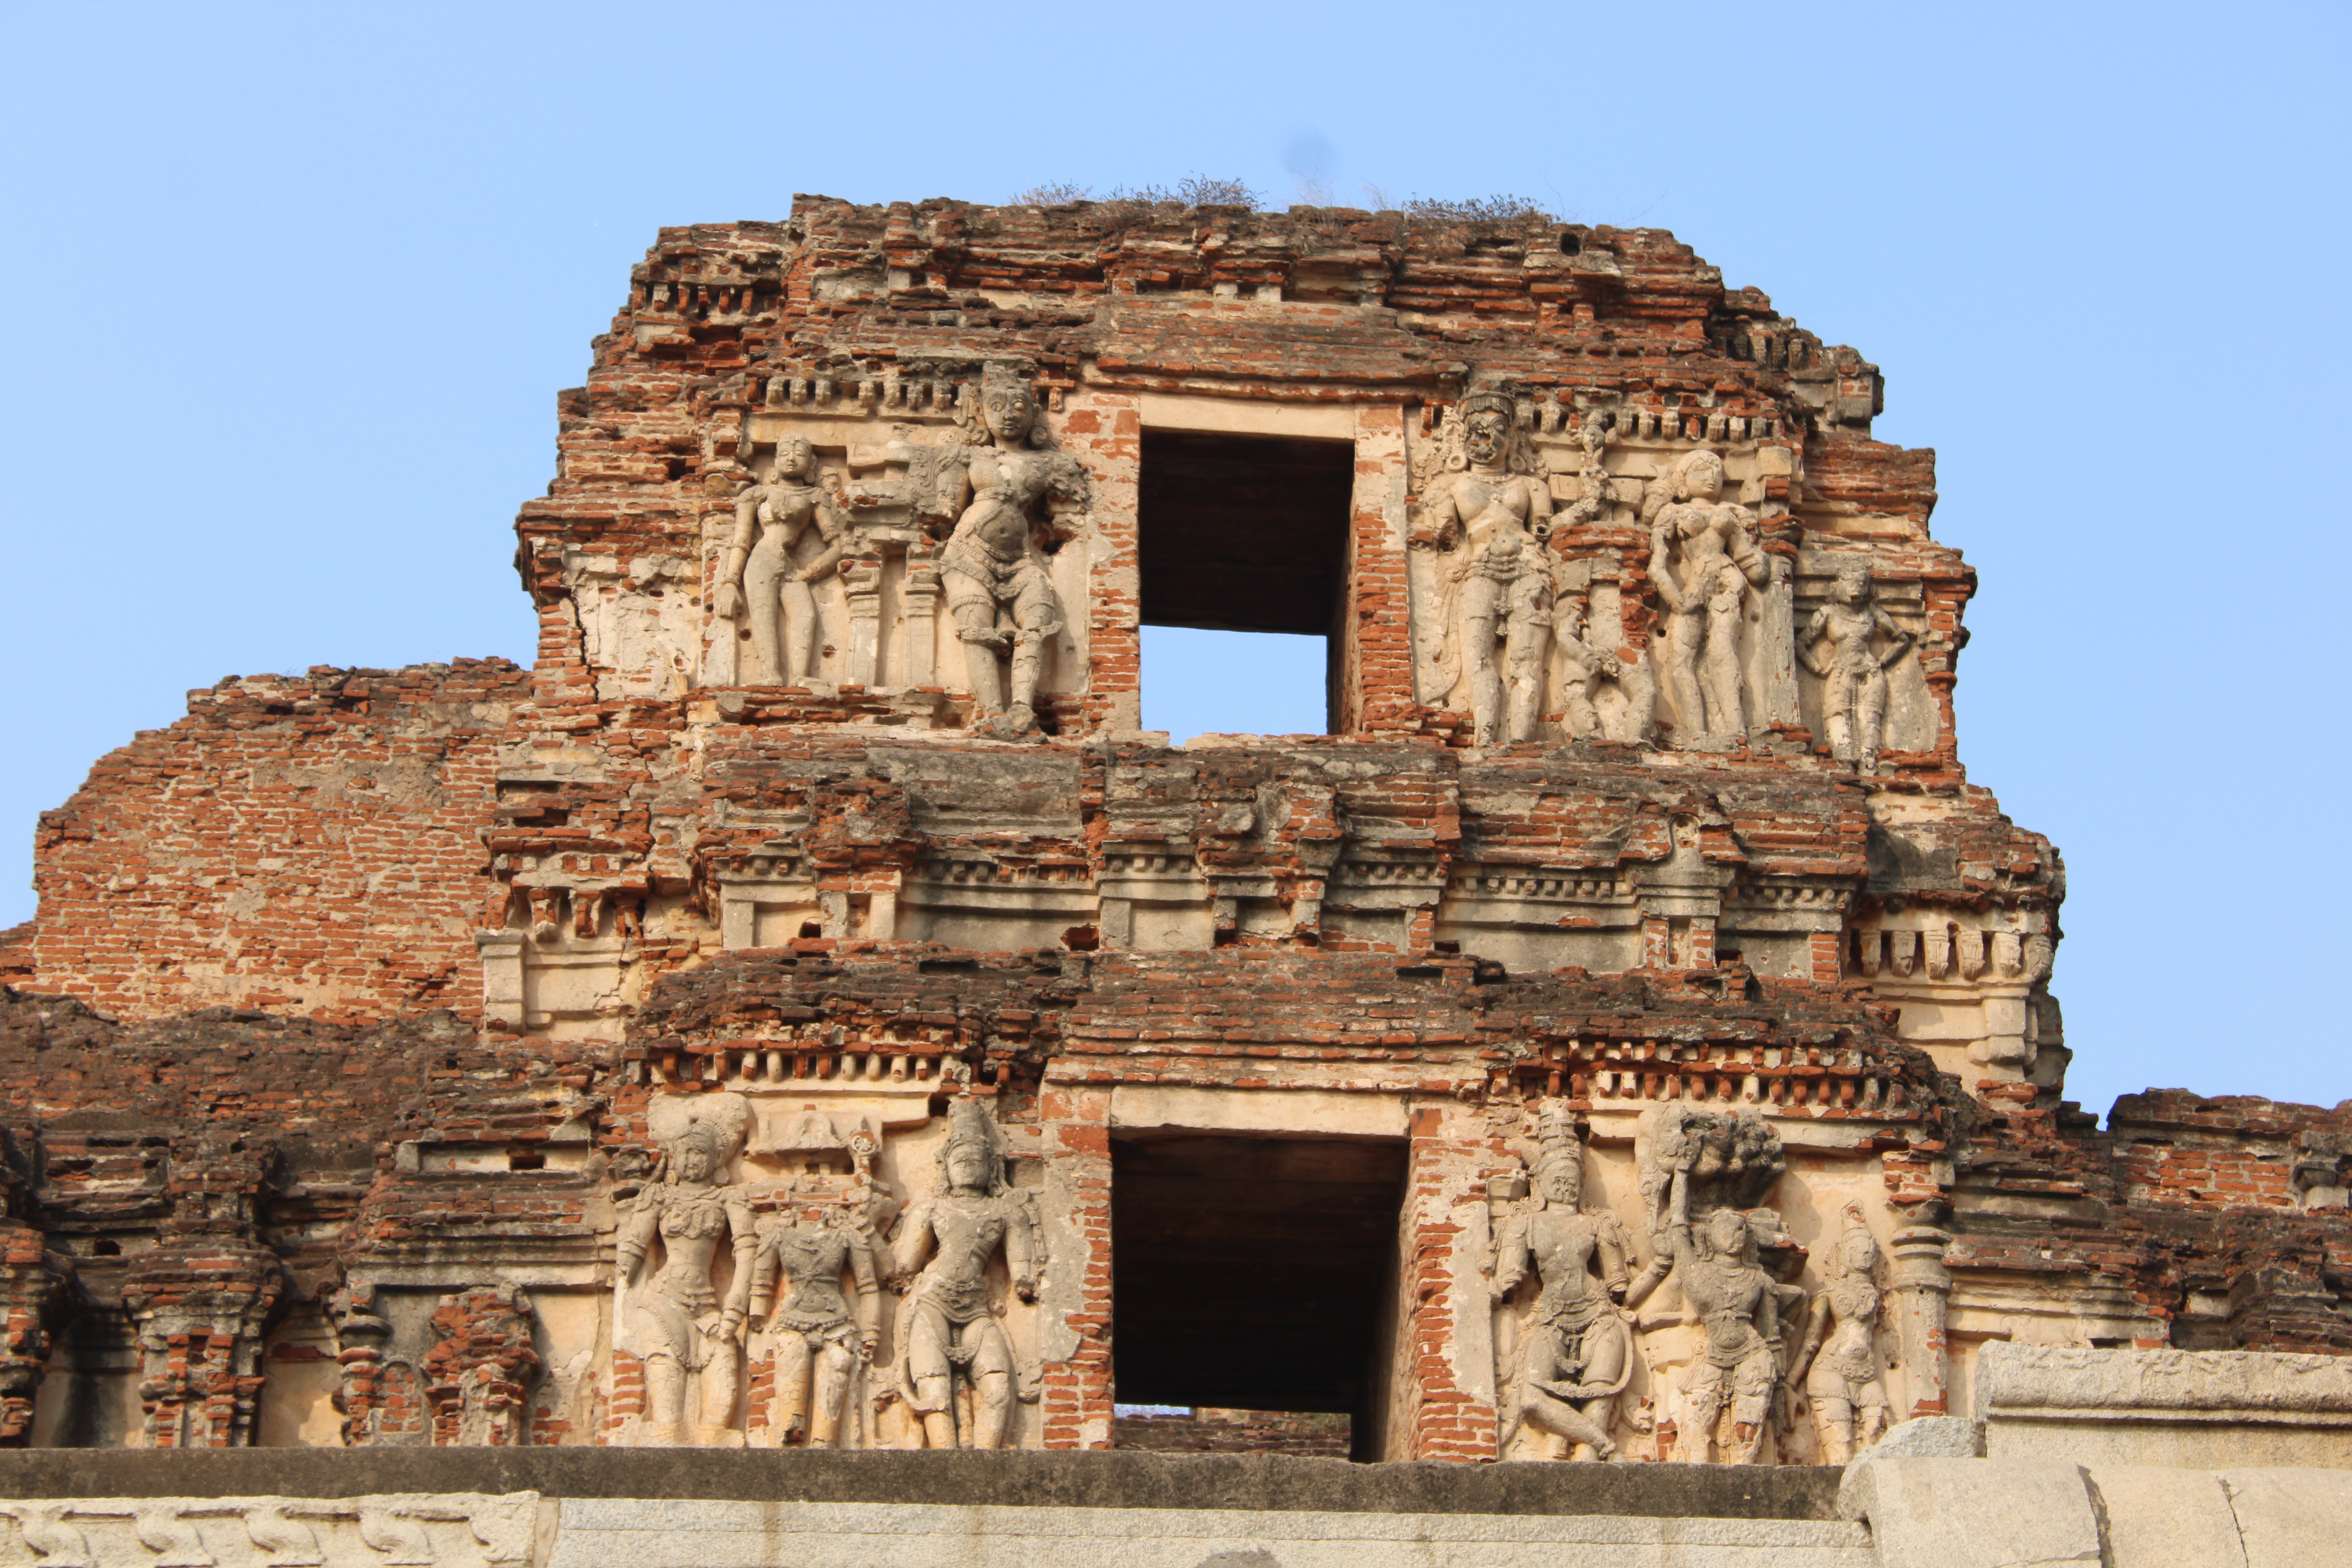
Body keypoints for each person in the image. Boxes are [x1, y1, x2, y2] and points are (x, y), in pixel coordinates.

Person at [890, 1098, 1040, 1448]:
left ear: (993, 1167)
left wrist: (1024, 1281)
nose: (970, 1167)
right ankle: (945, 1463)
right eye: (961, 1161)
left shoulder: (1006, 1212)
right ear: (946, 1167)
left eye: (978, 1161)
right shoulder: (932, 1208)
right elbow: (906, 1266)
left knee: (1000, 1386)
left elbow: (1022, 1269)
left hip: (977, 1308)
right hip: (932, 1301)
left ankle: (985, 1463)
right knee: (933, 1384)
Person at [1491, 1107, 1637, 1459]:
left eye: (1572, 1178)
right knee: (1530, 1401)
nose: (1566, 1186)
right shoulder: (1525, 1223)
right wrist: (1497, 1290)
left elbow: (1619, 1284)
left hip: (1600, 1319)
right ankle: (1600, 1443)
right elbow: (1506, 1280)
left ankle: (1586, 1454)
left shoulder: (1599, 1223)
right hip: (1550, 1319)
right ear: (1540, 1182)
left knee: (1600, 1396)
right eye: (1558, 1177)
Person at [938, 372, 1078, 733]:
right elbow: (945, 512)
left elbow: (1068, 517)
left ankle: (1022, 709)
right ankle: (990, 712)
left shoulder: (1047, 463)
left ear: (1034, 415)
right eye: (996, 407)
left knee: (1039, 617)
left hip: (1019, 560)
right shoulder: (969, 457)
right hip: (968, 552)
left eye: (1018, 407)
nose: (1009, 415)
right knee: (976, 628)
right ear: (981, 414)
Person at [1415, 391, 1556, 744]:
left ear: (1513, 439)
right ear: (1463, 440)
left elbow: (1543, 527)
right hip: (1479, 567)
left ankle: (1522, 742)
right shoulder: (1449, 484)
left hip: (1529, 567)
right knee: (1478, 657)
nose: (1488, 438)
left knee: (1526, 660)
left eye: (1498, 430)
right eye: (1477, 430)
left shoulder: (1531, 485)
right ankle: (1486, 736)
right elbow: (1444, 535)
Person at [615, 1101, 756, 1445]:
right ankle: (666, 1443)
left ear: (716, 1160)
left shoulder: (729, 1200)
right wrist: (625, 1265)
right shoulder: (659, 1196)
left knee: (724, 1384)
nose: (693, 1161)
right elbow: (635, 1246)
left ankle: (713, 1448)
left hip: (708, 1305)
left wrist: (736, 1308)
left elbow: (747, 1253)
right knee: (666, 1395)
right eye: (686, 1153)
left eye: (700, 1154)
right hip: (663, 1300)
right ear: (675, 1157)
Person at [1643, 449, 1768, 746]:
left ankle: (1736, 731)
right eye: (1701, 470)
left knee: (1721, 653)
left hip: (1728, 585)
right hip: (1691, 591)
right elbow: (1656, 566)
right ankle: (1696, 732)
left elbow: (1754, 568)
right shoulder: (1672, 512)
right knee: (1681, 660)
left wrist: (1756, 541)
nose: (1711, 476)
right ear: (1683, 480)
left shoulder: (1728, 514)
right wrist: (1676, 600)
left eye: (1717, 470)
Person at [747, 1192, 883, 1449]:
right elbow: (761, 1283)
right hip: (792, 1322)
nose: (811, 1207)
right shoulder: (778, 1236)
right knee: (792, 1422)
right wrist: (757, 1315)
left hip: (838, 1323)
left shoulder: (847, 1237)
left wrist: (873, 1331)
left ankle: (825, 1451)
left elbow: (869, 1287)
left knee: (827, 1430)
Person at [713, 437, 843, 686]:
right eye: (784, 453)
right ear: (774, 461)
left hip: (790, 566)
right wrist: (730, 582)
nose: (791, 459)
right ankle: (771, 675)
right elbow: (740, 542)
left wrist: (810, 572)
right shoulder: (756, 494)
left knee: (806, 614)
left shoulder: (814, 496)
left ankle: (801, 677)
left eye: (799, 455)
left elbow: (838, 546)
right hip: (761, 561)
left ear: (812, 466)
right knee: (764, 616)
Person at [1788, 1206, 1891, 1463]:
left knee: (1878, 1437)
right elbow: (1812, 1340)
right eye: (1856, 1249)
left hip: (1867, 1373)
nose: (1864, 1255)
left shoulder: (1875, 1294)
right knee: (1841, 1451)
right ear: (1843, 1254)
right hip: (1830, 1370)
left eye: (1869, 1250)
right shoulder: (1829, 1290)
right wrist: (1791, 1383)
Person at [1798, 561, 1912, 774]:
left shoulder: (1872, 614)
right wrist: (1818, 668)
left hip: (1870, 672)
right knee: (1838, 716)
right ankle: (1844, 766)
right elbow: (1800, 643)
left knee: (1869, 718)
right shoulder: (1828, 613)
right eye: (1849, 582)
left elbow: (1902, 639)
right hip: (1840, 671)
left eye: (1861, 583)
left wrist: (1881, 662)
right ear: (1838, 586)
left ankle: (1869, 766)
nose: (1856, 589)